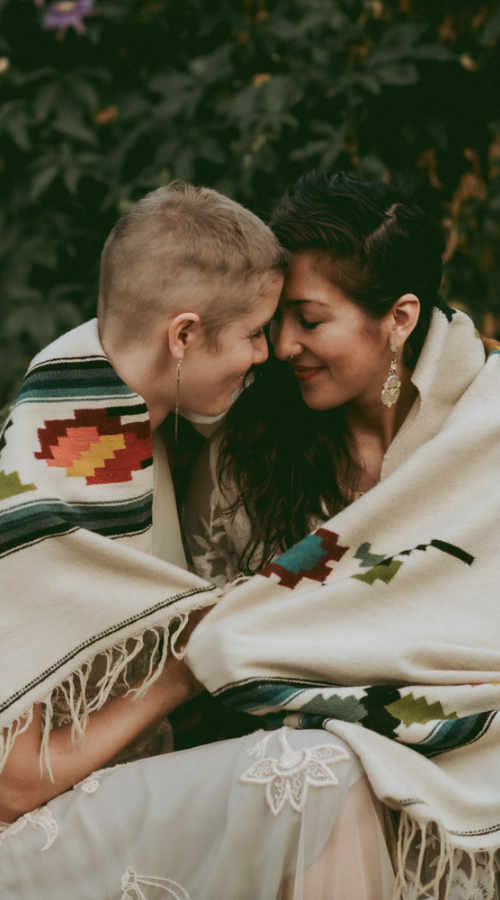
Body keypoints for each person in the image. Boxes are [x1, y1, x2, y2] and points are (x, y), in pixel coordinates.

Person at [0, 181, 395, 900]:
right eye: (253, 332)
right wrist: (186, 669)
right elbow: (12, 785)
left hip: (111, 783)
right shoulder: (70, 474)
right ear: (182, 336)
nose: (267, 353)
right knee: (319, 775)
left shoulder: (115, 409)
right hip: (24, 837)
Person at [183, 172, 500, 898]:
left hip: (468, 756)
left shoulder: (486, 431)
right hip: (289, 779)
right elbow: (205, 624)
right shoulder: (247, 448)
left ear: (399, 317)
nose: (283, 345)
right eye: (276, 317)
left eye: (311, 319)